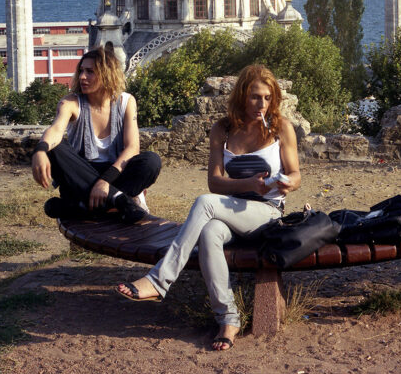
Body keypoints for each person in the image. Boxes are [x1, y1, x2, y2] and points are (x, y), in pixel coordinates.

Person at [116, 64, 301, 351]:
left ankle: (159, 281)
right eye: (254, 97)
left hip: (267, 212)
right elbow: (215, 182)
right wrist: (248, 184)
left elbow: (297, 175)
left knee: (204, 203)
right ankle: (228, 319)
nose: (261, 104)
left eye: (267, 98)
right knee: (209, 232)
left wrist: (286, 182)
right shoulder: (223, 128)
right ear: (242, 96)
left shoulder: (281, 127)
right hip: (230, 209)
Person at [31, 45, 161, 224]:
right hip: (80, 175)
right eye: (81, 71)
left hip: (115, 175)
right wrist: (40, 150)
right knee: (55, 147)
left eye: (90, 72)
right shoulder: (71, 102)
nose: (82, 77)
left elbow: (132, 148)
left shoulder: (126, 101)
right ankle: (119, 202)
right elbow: (56, 130)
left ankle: (82, 208)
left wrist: (105, 182)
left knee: (151, 161)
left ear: (107, 74)